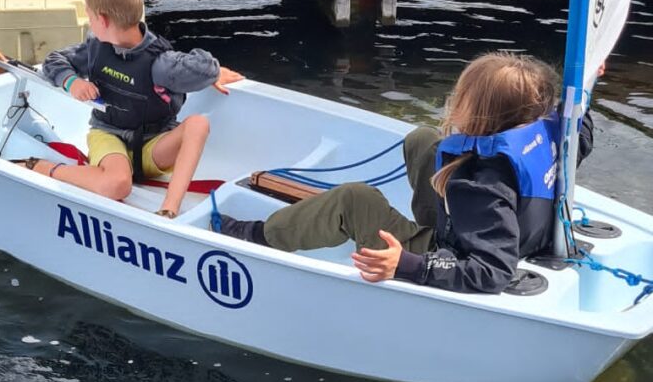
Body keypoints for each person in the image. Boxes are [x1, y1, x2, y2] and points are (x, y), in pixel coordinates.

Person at [213, 52, 594, 296]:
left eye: (460, 96)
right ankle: (425, 227)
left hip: (450, 255)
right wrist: (588, 82)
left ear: (478, 113)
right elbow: (584, 131)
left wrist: (407, 264)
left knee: (353, 199)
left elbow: (491, 271)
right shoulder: (555, 137)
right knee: (424, 140)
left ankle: (256, 235)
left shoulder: (477, 186)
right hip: (492, 230)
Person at [17, 0, 243, 217]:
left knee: (198, 123)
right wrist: (72, 82)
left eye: (89, 16)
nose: (90, 23)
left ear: (102, 20)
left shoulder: (161, 64)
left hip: (153, 144)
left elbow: (205, 66)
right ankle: (43, 167)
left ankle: (169, 209)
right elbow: (54, 60)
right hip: (108, 134)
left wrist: (210, 74)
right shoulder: (95, 48)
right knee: (117, 185)